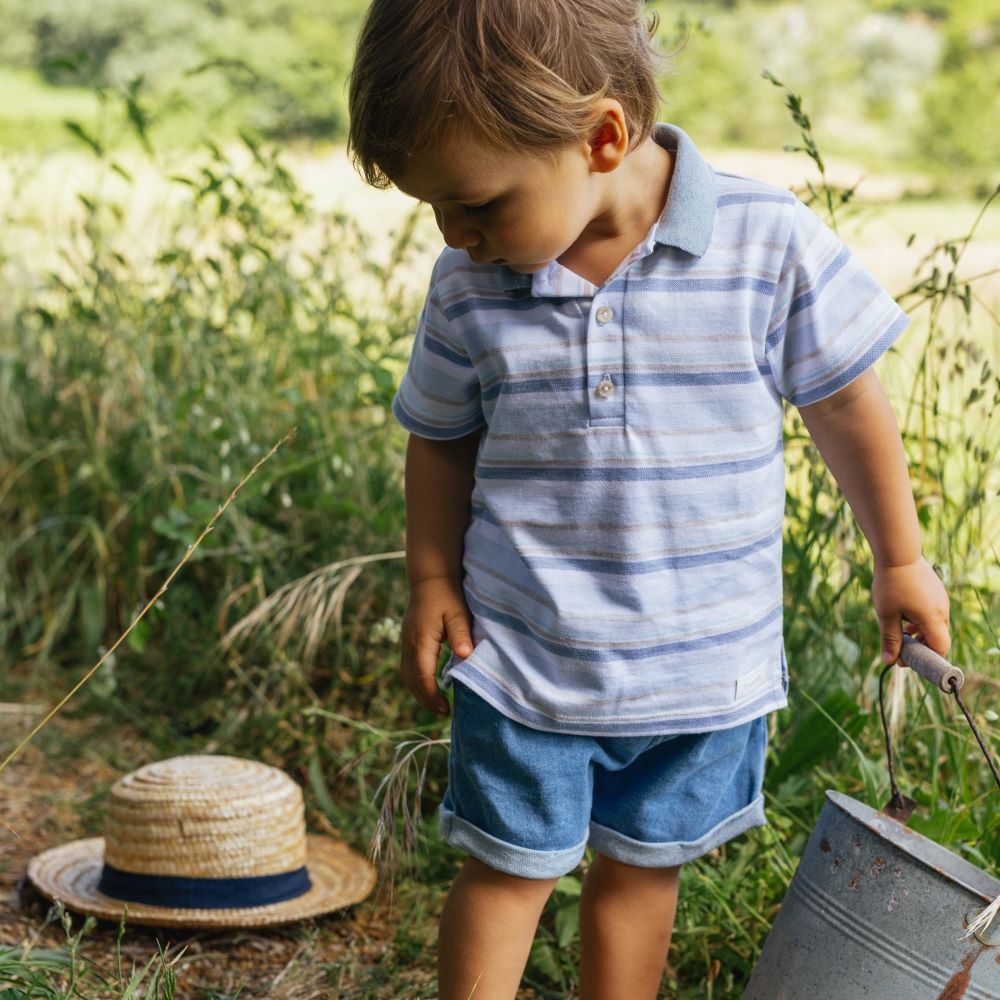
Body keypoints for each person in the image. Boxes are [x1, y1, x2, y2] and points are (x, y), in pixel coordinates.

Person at [347, 2, 952, 997]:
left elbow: (844, 398)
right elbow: (441, 436)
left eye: (482, 204)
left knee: (640, 871)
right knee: (506, 869)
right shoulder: (469, 284)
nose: (457, 234)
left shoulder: (766, 244)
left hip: (700, 665)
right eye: (437, 211)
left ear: (602, 136)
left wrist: (899, 558)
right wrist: (429, 573)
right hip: (526, 654)